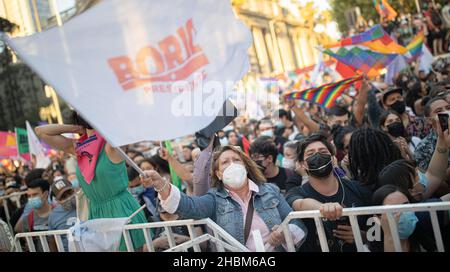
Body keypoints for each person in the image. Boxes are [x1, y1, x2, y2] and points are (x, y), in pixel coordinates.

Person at [141, 145, 307, 252]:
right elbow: (188, 206)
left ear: (246, 167)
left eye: (236, 160)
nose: (232, 164)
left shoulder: (270, 191)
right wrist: (160, 184)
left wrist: (284, 232)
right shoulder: (214, 199)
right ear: (218, 174)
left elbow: (295, 221)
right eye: (225, 162)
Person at [34, 112, 147, 251]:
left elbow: (121, 127)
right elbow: (40, 131)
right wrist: (75, 128)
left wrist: (97, 117)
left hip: (121, 210)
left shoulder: (111, 145)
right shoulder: (79, 149)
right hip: (95, 214)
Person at [286, 134, 372, 252]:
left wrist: (362, 236)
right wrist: (322, 207)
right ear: (302, 164)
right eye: (310, 154)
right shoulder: (297, 192)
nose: (317, 156)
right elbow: (299, 204)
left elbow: (379, 229)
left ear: (333, 158)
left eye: (322, 151)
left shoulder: (358, 189)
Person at [371, 185, 449, 252]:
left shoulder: (423, 230)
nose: (403, 213)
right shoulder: (367, 248)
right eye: (394, 211)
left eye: (405, 206)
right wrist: (389, 236)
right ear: (378, 219)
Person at [414, 97, 450, 171]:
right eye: (439, 111)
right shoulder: (423, 148)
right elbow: (430, 179)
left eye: (448, 108)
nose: (446, 112)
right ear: (429, 120)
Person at [48, 178, 77, 252]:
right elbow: (52, 242)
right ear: (57, 201)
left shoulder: (86, 204)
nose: (69, 197)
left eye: (70, 193)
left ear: (75, 190)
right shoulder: (53, 216)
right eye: (63, 196)